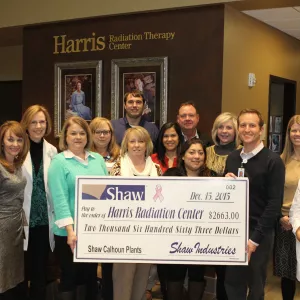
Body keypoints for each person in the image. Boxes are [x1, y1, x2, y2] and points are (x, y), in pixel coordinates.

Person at [224, 108, 285, 300]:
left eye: (252, 125)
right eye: (243, 125)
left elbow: (274, 204)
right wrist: (224, 182)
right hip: (233, 231)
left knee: (256, 284)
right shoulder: (232, 158)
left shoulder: (273, 161)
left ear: (261, 129)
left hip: (259, 233)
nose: (247, 129)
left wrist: (254, 240)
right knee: (232, 282)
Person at [48, 116, 108, 300]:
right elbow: (59, 198)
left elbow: (107, 193)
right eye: (73, 133)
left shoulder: (97, 159)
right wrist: (70, 230)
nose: (78, 137)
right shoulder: (59, 162)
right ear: (65, 136)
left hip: (92, 230)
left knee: (88, 277)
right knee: (70, 277)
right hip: (68, 233)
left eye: (82, 133)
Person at [110, 126, 161, 300]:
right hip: (124, 234)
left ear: (147, 145)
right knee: (124, 281)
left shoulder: (156, 169)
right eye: (132, 141)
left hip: (148, 233)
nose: (137, 145)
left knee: (141, 280)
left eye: (141, 141)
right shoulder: (117, 168)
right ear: (126, 144)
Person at [163, 138, 216, 300]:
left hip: (200, 237)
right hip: (174, 236)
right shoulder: (170, 175)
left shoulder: (213, 178)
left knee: (197, 274)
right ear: (183, 156)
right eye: (191, 152)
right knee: (174, 275)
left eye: (200, 153)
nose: (196, 156)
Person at [21, 105, 58, 300]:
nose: (38, 126)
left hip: (44, 222)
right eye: (33, 122)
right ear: (25, 124)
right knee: (19, 274)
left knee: (39, 275)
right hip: (21, 223)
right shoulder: (16, 148)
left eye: (42, 121)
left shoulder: (53, 151)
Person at [205, 112, 240, 300]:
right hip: (209, 220)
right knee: (219, 270)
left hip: (233, 221)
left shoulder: (243, 152)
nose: (224, 131)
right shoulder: (205, 151)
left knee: (232, 272)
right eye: (221, 127)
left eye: (228, 127)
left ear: (236, 131)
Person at [89, 117, 120, 300]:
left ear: (111, 134)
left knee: (110, 265)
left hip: (113, 218)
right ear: (91, 134)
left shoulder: (120, 156)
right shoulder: (84, 156)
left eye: (106, 132)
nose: (102, 135)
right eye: (97, 131)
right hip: (91, 216)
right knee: (89, 266)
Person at [0, 121, 29, 299]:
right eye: (10, 139)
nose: (15, 144)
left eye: (19, 140)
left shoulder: (17, 165)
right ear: (1, 141)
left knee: (13, 279)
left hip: (16, 229)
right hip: (2, 231)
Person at [274, 115, 300, 300]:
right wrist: (280, 217)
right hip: (284, 224)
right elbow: (273, 193)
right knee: (287, 273)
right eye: (294, 130)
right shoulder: (280, 161)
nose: (297, 134)